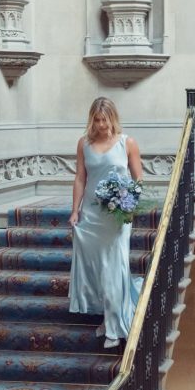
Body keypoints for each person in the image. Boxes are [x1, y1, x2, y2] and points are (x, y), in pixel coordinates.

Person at [68, 97, 143, 349]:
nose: (101, 125)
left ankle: (114, 327)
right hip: (91, 213)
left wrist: (129, 205)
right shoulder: (84, 144)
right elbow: (80, 178)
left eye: (105, 119)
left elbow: (137, 179)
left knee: (113, 267)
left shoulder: (127, 143)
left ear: (113, 118)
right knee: (98, 269)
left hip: (117, 215)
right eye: (97, 120)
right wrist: (75, 210)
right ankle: (108, 315)